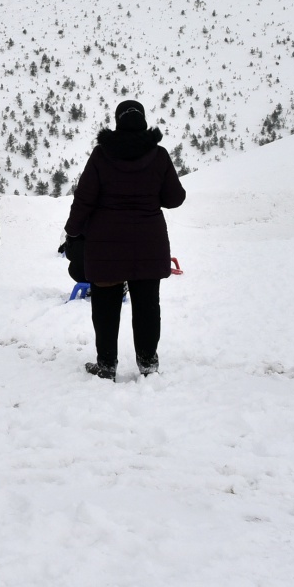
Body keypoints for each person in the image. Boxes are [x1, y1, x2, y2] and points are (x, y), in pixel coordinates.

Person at [64, 99, 186, 380]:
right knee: (146, 305)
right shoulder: (159, 155)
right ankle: (148, 363)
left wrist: (72, 231)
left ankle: (107, 365)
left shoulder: (101, 155)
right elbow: (175, 199)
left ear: (118, 121)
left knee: (105, 307)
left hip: (105, 245)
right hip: (148, 243)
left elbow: (84, 199)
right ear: (143, 121)